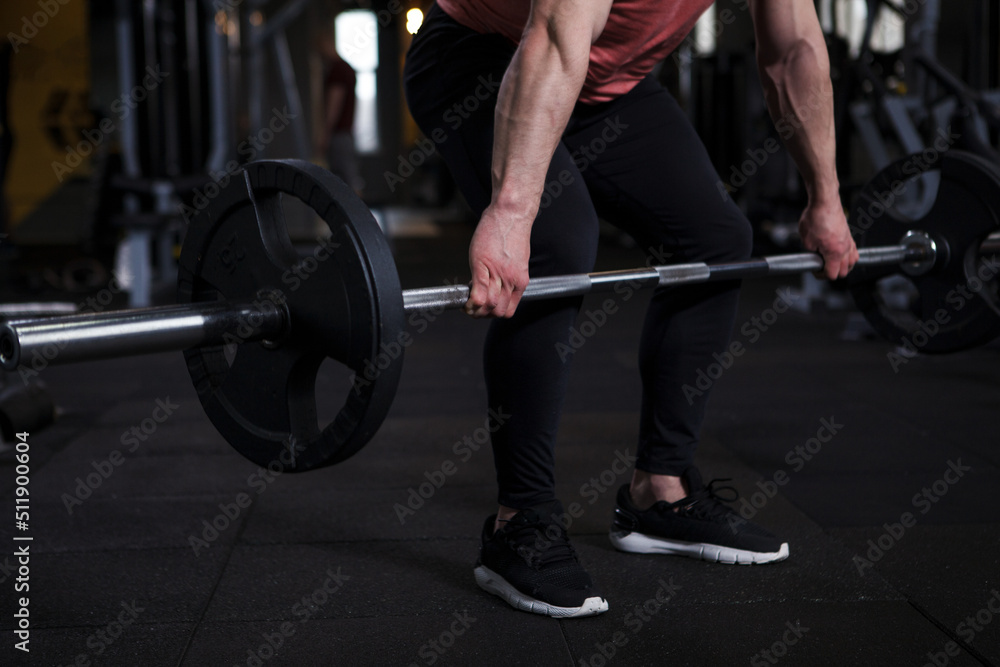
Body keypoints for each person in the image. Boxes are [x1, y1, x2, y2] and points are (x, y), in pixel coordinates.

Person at [403, 0, 859, 618]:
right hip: (483, 56)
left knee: (715, 240)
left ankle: (659, 494)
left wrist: (825, 197)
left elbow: (793, 50)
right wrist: (510, 215)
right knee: (558, 242)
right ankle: (520, 523)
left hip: (608, 83)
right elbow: (556, 43)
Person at [318, 31, 362, 193]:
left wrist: (325, 135)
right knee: (347, 178)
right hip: (346, 134)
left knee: (344, 181)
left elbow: (334, 105)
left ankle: (357, 218)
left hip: (339, 135)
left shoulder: (338, 70)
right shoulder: (345, 68)